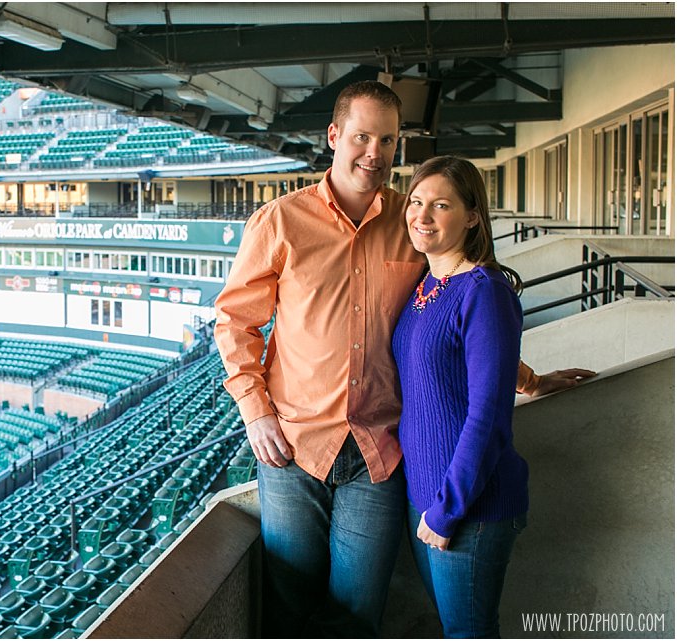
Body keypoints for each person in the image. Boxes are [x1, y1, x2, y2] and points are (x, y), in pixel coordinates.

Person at [213, 80, 593, 638]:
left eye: (387, 140)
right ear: (334, 136)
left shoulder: (411, 223)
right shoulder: (280, 221)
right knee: (288, 606)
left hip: (379, 455)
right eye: (362, 137)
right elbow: (234, 322)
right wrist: (254, 409)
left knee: (359, 615)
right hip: (295, 447)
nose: (375, 153)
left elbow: (457, 326)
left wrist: (528, 379)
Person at [392, 156, 529, 637]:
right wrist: (530, 378)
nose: (422, 216)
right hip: (425, 495)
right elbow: (452, 367)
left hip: (468, 507)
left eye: (441, 205)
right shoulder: (425, 284)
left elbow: (488, 416)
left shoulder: (483, 290)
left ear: (472, 216)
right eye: (416, 201)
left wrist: (448, 509)